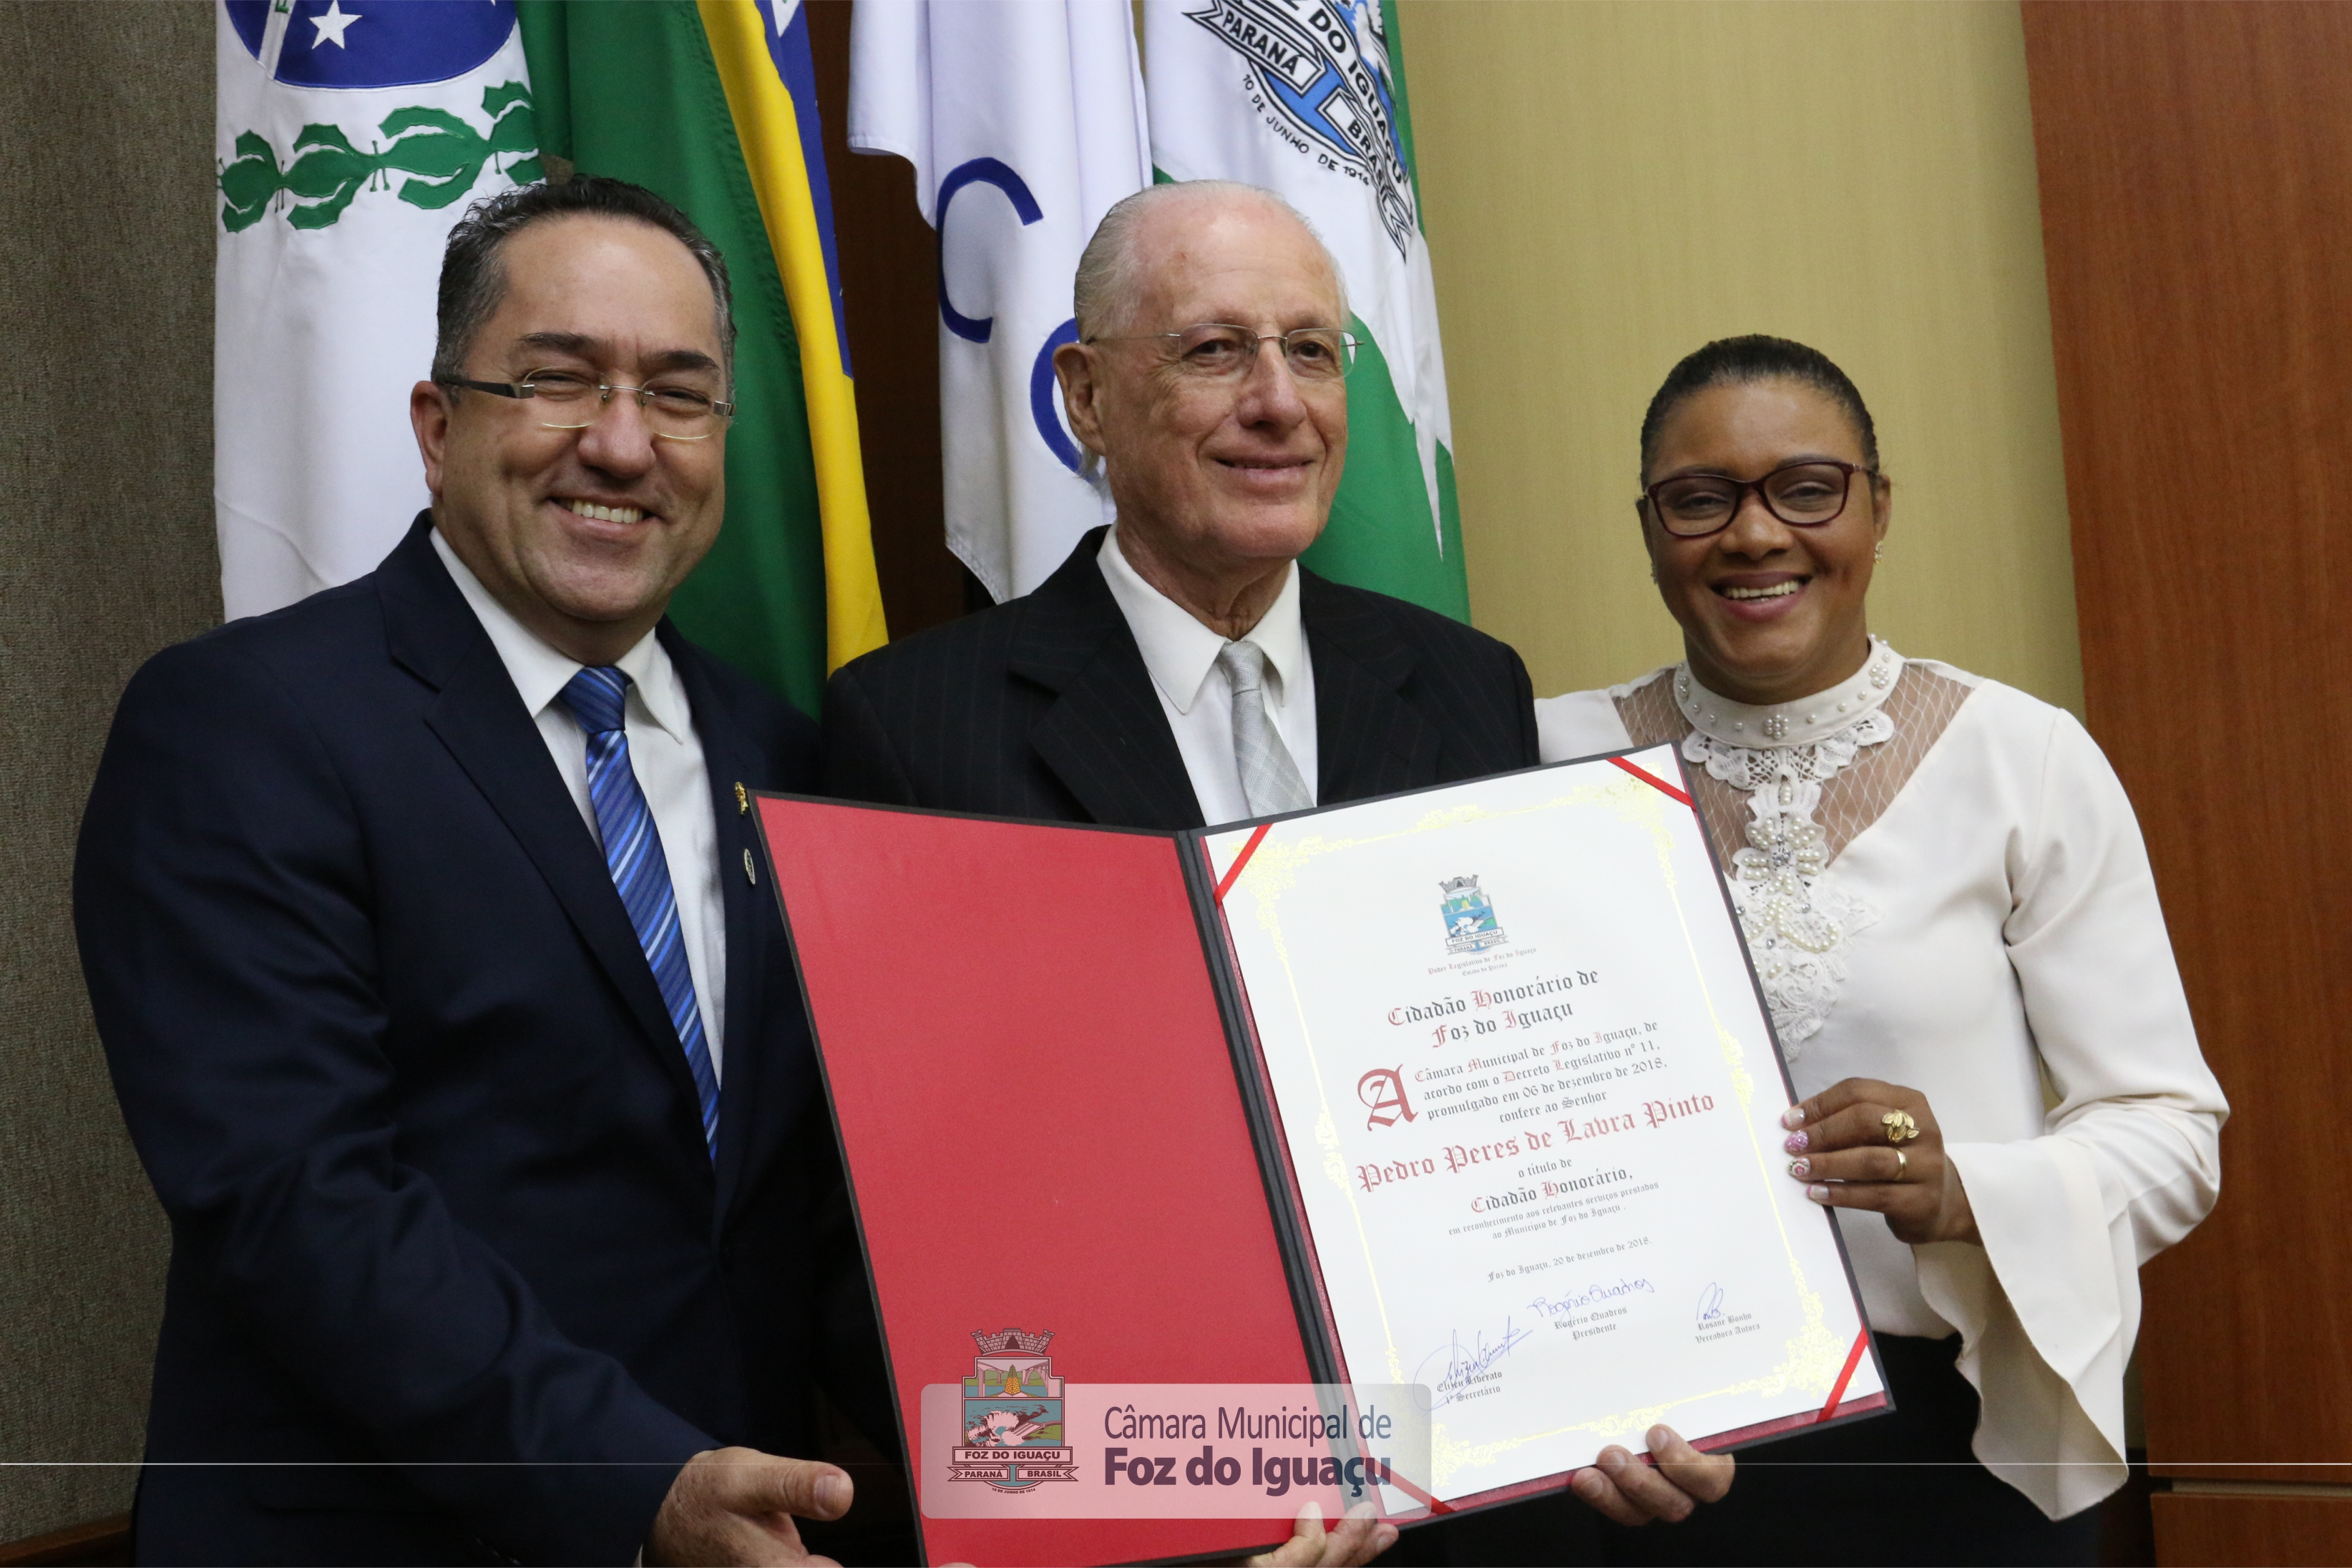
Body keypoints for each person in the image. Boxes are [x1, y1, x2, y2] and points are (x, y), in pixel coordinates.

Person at [821, 179, 1733, 1561]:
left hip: (1464, 1500)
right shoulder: (914, 728)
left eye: (1312, 350)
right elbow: (909, 1211)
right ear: (1084, 395)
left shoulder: (1468, 688)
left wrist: (1621, 1384)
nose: (1278, 402)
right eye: (1212, 349)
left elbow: (1512, 1087)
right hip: (1149, 1519)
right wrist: (1203, 1489)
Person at [75, 177, 894, 1565]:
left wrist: (1129, 1464)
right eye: (558, 381)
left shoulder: (792, 758)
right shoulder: (244, 727)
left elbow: (832, 1216)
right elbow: (301, 1203)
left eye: (680, 394)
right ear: (439, 425)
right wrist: (640, 1483)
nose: (623, 444)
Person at [1536, 335, 2227, 1564]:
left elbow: (2169, 1131)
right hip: (1641, 1447)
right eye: (1702, 500)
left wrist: (1969, 1193)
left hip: (1957, 1445)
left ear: (1877, 506)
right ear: (1650, 529)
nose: (1755, 536)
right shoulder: (1544, 765)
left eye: (1807, 489)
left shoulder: (2023, 758)